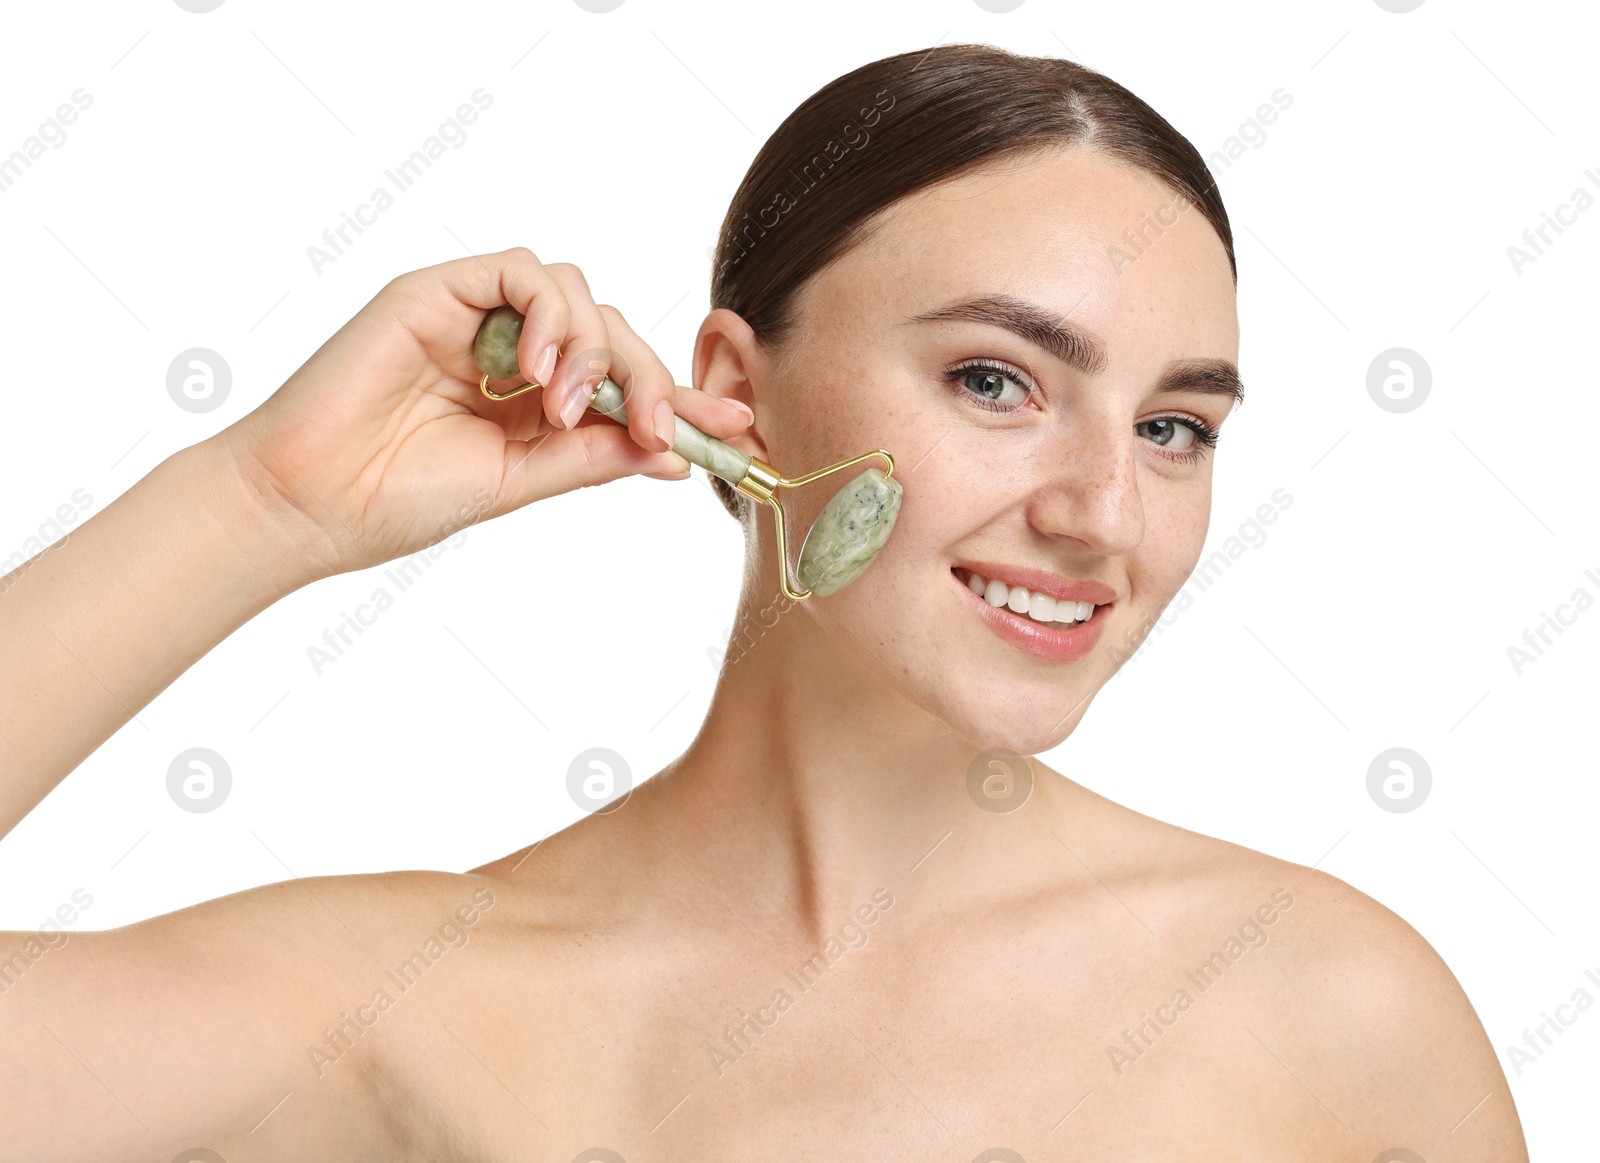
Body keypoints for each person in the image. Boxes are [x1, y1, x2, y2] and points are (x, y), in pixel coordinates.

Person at [0, 43, 1527, 1161]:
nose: (1101, 514)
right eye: (997, 382)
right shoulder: (401, 1001)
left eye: (1174, 427)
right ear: (737, 393)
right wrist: (266, 502)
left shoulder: (1332, 1008)